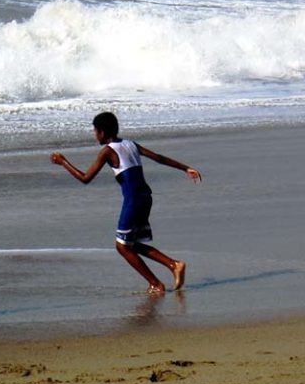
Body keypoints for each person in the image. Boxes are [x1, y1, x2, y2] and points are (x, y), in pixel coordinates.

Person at [50, 112, 202, 294]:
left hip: (134, 200)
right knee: (132, 244)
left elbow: (85, 178)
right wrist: (185, 168)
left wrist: (63, 162)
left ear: (103, 132)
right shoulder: (130, 143)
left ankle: (157, 283)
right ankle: (173, 265)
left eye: (95, 131)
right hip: (146, 197)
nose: (94, 135)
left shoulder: (107, 151)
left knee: (121, 247)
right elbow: (158, 158)